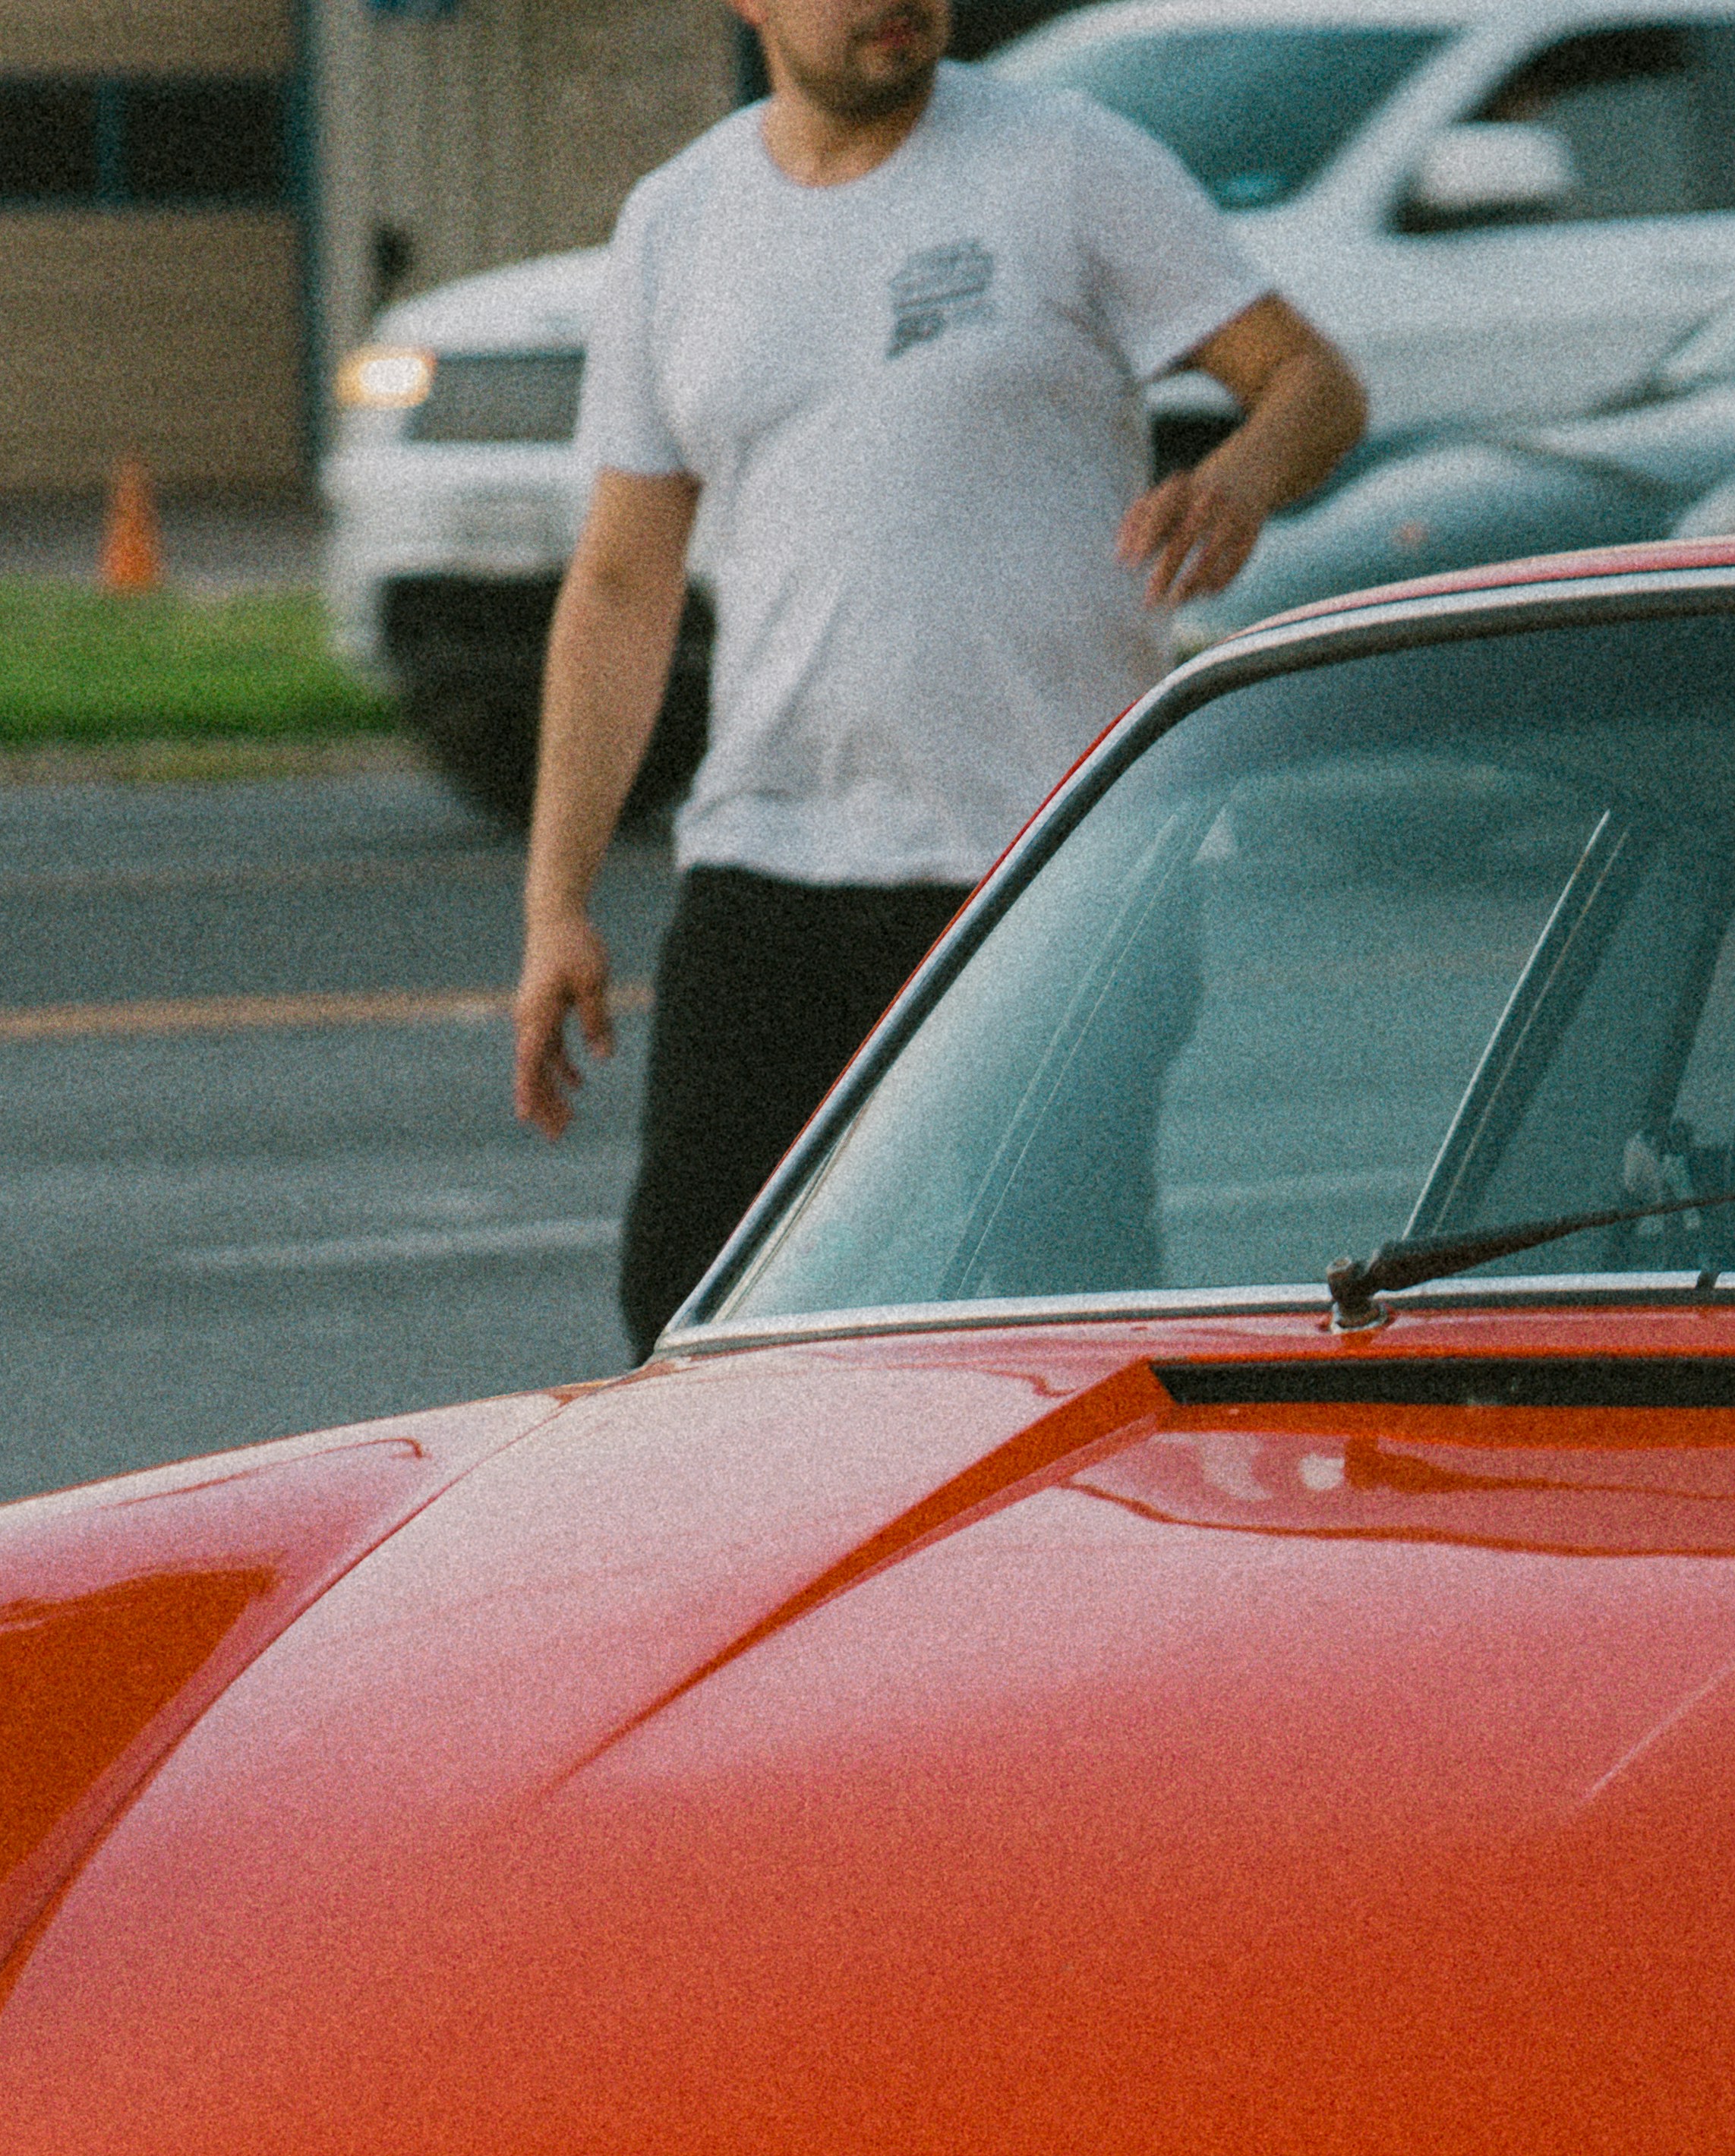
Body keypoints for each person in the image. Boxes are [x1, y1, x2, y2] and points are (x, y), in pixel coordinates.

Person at [508, 0, 1367, 1354]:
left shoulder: (1068, 160)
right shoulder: (678, 222)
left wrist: (1240, 476)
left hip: (1051, 867)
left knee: (1041, 1322)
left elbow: (1312, 382)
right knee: (690, 1312)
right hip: (772, 858)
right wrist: (556, 900)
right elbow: (621, 581)